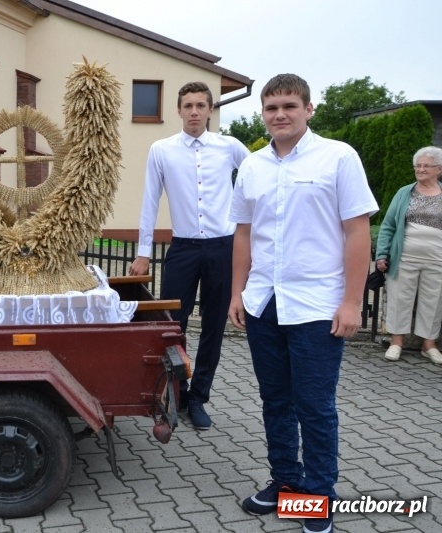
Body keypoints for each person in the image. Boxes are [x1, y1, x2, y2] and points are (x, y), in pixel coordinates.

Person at [228, 74, 377, 533]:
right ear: (263, 113)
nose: (280, 115)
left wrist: (352, 302)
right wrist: (237, 293)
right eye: (271, 108)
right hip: (265, 302)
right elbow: (244, 233)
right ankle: (286, 482)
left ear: (308, 109)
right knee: (275, 400)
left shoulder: (338, 157)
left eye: (289, 106)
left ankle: (318, 496)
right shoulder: (252, 166)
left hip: (317, 305)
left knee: (313, 405)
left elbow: (357, 232)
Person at [129, 81, 249, 430]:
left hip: (222, 248)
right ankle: (177, 393)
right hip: (183, 249)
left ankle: (198, 398)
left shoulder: (230, 147)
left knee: (213, 326)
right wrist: (143, 252)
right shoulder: (162, 150)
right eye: (188, 106)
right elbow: (150, 200)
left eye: (200, 105)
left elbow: (258, 180)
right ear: (179, 110)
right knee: (172, 325)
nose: (194, 112)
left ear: (210, 110)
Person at [375, 146, 442, 364]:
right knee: (400, 298)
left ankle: (429, 345)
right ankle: (396, 342)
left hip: (437, 259)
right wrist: (382, 254)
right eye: (418, 166)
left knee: (433, 302)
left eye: (426, 166)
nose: (420, 170)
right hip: (405, 257)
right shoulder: (404, 193)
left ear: (439, 169)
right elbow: (388, 225)